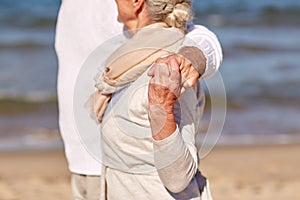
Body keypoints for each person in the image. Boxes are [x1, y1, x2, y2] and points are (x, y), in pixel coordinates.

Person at [55, 0, 222, 199]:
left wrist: (193, 57)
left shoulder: (165, 67)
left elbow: (178, 177)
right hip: (86, 158)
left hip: (110, 167)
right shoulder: (116, 70)